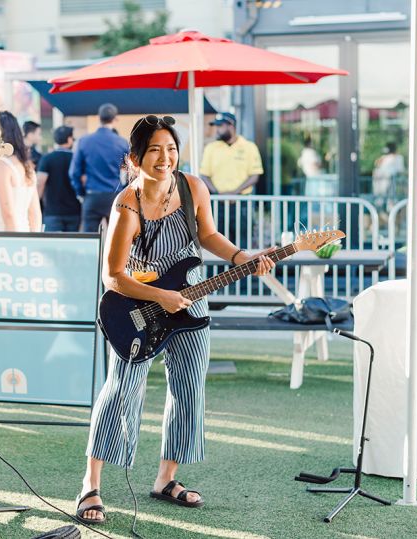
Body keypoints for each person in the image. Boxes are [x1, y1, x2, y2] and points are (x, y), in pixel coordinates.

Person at [75, 114, 274, 525]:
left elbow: (208, 235)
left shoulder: (193, 186)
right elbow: (113, 276)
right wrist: (159, 296)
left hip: (190, 301)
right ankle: (90, 485)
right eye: (154, 150)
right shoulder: (126, 205)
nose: (165, 158)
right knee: (121, 390)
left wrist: (242, 258)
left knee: (189, 390)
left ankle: (166, 479)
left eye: (171, 149)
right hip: (139, 304)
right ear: (134, 158)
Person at [200, 112, 263, 247]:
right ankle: (221, 269)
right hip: (218, 203)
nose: (216, 130)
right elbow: (204, 175)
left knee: (243, 244)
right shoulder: (211, 148)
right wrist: (218, 194)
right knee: (216, 243)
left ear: (231, 126)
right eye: (215, 126)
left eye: (220, 126)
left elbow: (254, 175)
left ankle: (242, 269)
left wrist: (234, 193)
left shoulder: (249, 147)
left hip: (242, 203)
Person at [69, 103, 129, 233]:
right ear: (115, 119)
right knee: (117, 238)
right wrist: (123, 190)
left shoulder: (84, 141)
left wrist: (80, 192)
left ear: (98, 118)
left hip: (92, 196)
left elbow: (74, 172)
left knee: (89, 242)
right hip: (114, 196)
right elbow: (131, 171)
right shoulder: (122, 142)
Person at [0, 110, 41, 232]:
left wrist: (11, 246)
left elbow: (8, 213)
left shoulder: (2, 165)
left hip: (1, 241)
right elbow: (35, 214)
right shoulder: (26, 166)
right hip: (22, 237)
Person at [37, 125, 80, 232]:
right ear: (69, 139)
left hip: (52, 212)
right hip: (74, 211)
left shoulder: (47, 158)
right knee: (73, 245)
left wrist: (37, 205)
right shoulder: (76, 159)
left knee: (52, 246)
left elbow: (40, 183)